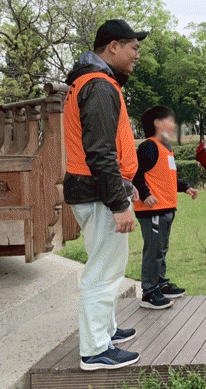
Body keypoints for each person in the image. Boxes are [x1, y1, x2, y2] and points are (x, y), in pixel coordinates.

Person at [63, 19, 147, 370]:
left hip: (92, 190)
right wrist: (118, 203)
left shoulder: (90, 81)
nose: (137, 55)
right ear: (113, 46)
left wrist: (123, 189)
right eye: (134, 47)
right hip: (97, 194)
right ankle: (95, 350)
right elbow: (100, 152)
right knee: (103, 271)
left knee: (108, 266)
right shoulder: (98, 86)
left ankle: (106, 331)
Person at [133, 106, 199, 310]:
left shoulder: (166, 149)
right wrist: (145, 194)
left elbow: (168, 176)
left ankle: (160, 284)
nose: (173, 125)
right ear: (157, 123)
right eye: (169, 121)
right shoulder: (149, 147)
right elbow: (135, 172)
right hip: (152, 209)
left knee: (161, 249)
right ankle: (149, 292)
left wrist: (185, 187)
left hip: (166, 208)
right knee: (153, 251)